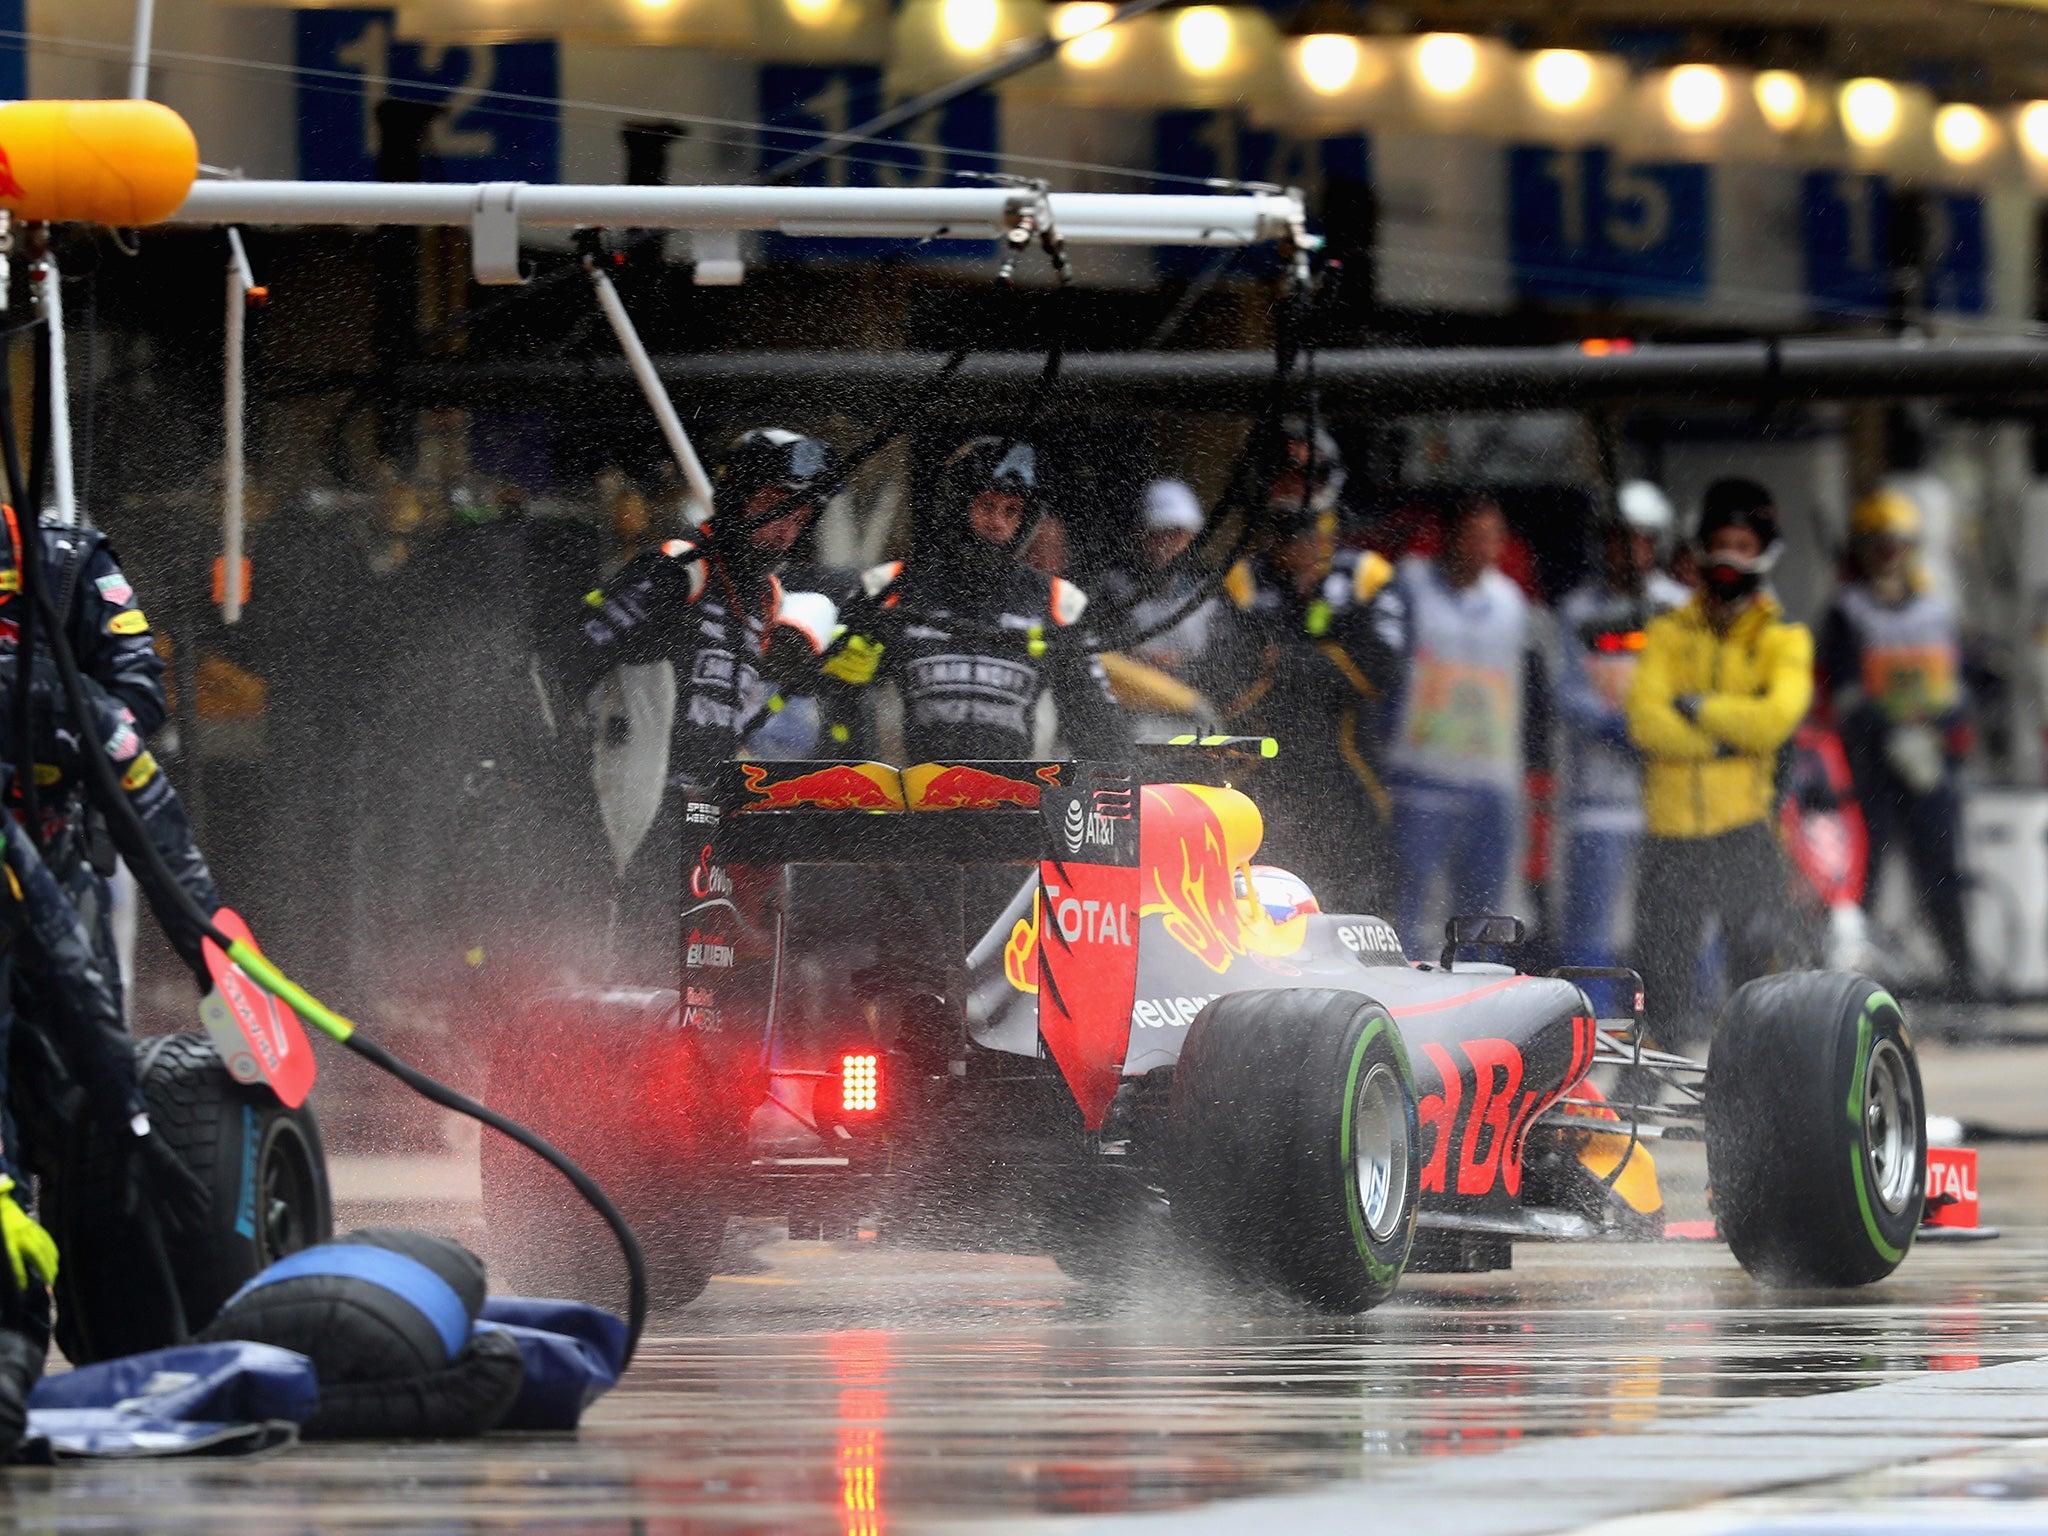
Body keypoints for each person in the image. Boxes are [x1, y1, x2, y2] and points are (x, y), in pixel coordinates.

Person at [1627, 478, 1813, 1050]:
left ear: (1765, 554)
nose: (1731, 556)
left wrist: (1698, 709)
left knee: (1754, 973)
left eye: (1744, 544)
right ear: (1701, 548)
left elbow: (1775, 721)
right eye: (1721, 542)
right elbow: (1644, 722)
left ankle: (1755, 1073)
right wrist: (1724, 742)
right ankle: (1654, 1072)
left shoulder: (1785, 637)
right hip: (1671, 831)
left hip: (1744, 829)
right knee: (1661, 972)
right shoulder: (1665, 631)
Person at [830, 438, 1131, 763]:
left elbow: (1094, 718)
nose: (997, 523)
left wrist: (1120, 792)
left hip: (1016, 799)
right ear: (959, 505)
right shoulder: (888, 587)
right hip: (915, 797)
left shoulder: (1060, 601)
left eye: (1012, 511)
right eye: (986, 505)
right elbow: (838, 701)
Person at [1215, 437, 1404, 915]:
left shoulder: (1367, 574)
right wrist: (1323, 655)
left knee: (1358, 915)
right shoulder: (1243, 577)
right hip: (1262, 779)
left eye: (1308, 474)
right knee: (1258, 913)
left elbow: (1380, 672)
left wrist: (1287, 659)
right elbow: (1226, 676)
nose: (1294, 484)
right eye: (1285, 471)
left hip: (1347, 778)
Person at [1817, 488, 1975, 996]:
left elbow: (1957, 681)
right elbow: (1841, 691)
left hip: (1928, 761)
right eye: (1878, 544)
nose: (1888, 554)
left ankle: (1962, 979)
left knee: (1942, 873)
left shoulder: (1935, 609)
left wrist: (1945, 732)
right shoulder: (1847, 611)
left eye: (1896, 544)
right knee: (1864, 879)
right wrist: (1887, 733)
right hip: (1871, 767)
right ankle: (1848, 986)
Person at [1383, 496, 1534, 955]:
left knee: (1486, 911)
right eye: (1474, 534)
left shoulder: (1509, 600)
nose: (1485, 546)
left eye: (1494, 536)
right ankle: (1404, 992)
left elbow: (1526, 690)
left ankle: (1480, 993)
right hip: (1421, 776)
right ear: (1449, 536)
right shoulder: (1410, 585)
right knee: (1411, 901)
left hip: (1491, 780)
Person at [1550, 481, 1691, 967]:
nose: (1627, 551)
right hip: (1599, 799)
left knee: (1676, 920)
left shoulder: (1680, 608)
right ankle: (1594, 1016)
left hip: (1669, 800)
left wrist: (1662, 727)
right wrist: (1614, 725)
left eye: (1638, 538)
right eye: (1617, 539)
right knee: (1592, 922)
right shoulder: (1579, 611)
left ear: (1656, 542)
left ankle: (1677, 1022)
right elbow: (1566, 691)